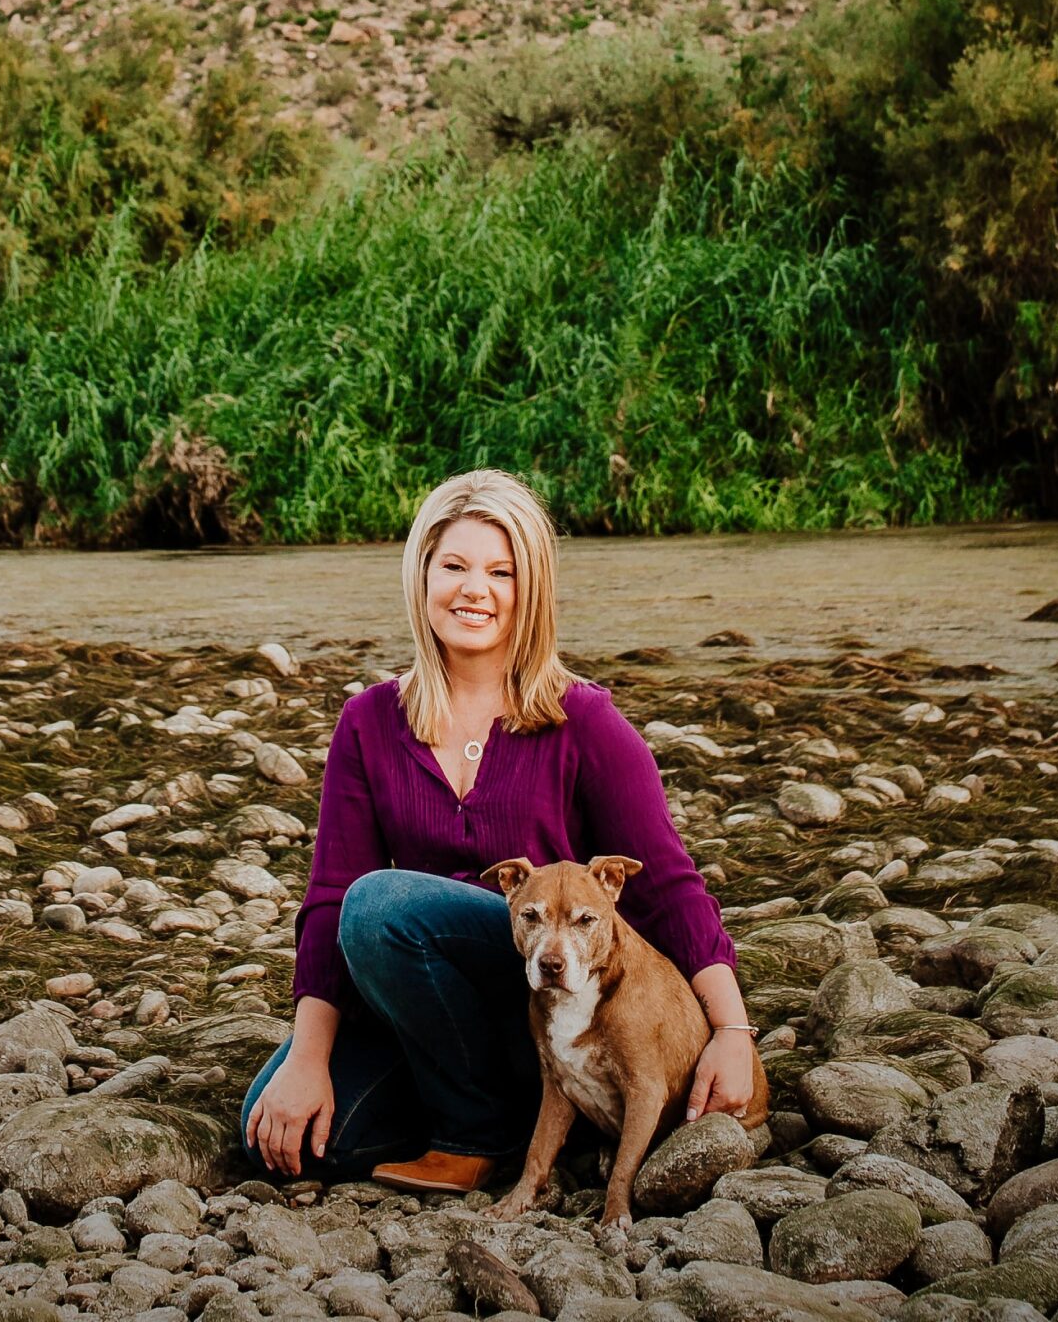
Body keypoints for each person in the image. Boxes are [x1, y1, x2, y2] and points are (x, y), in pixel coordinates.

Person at [242, 468, 757, 1193]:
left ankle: (473, 1137)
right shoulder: (369, 723)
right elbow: (328, 901)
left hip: (560, 999)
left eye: (500, 571)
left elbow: (669, 887)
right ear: (421, 575)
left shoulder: (586, 722)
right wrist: (305, 1057)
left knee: (383, 906)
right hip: (434, 1012)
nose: (473, 590)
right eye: (452, 566)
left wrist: (731, 1033)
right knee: (284, 1135)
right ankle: (506, 1119)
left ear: (530, 589)